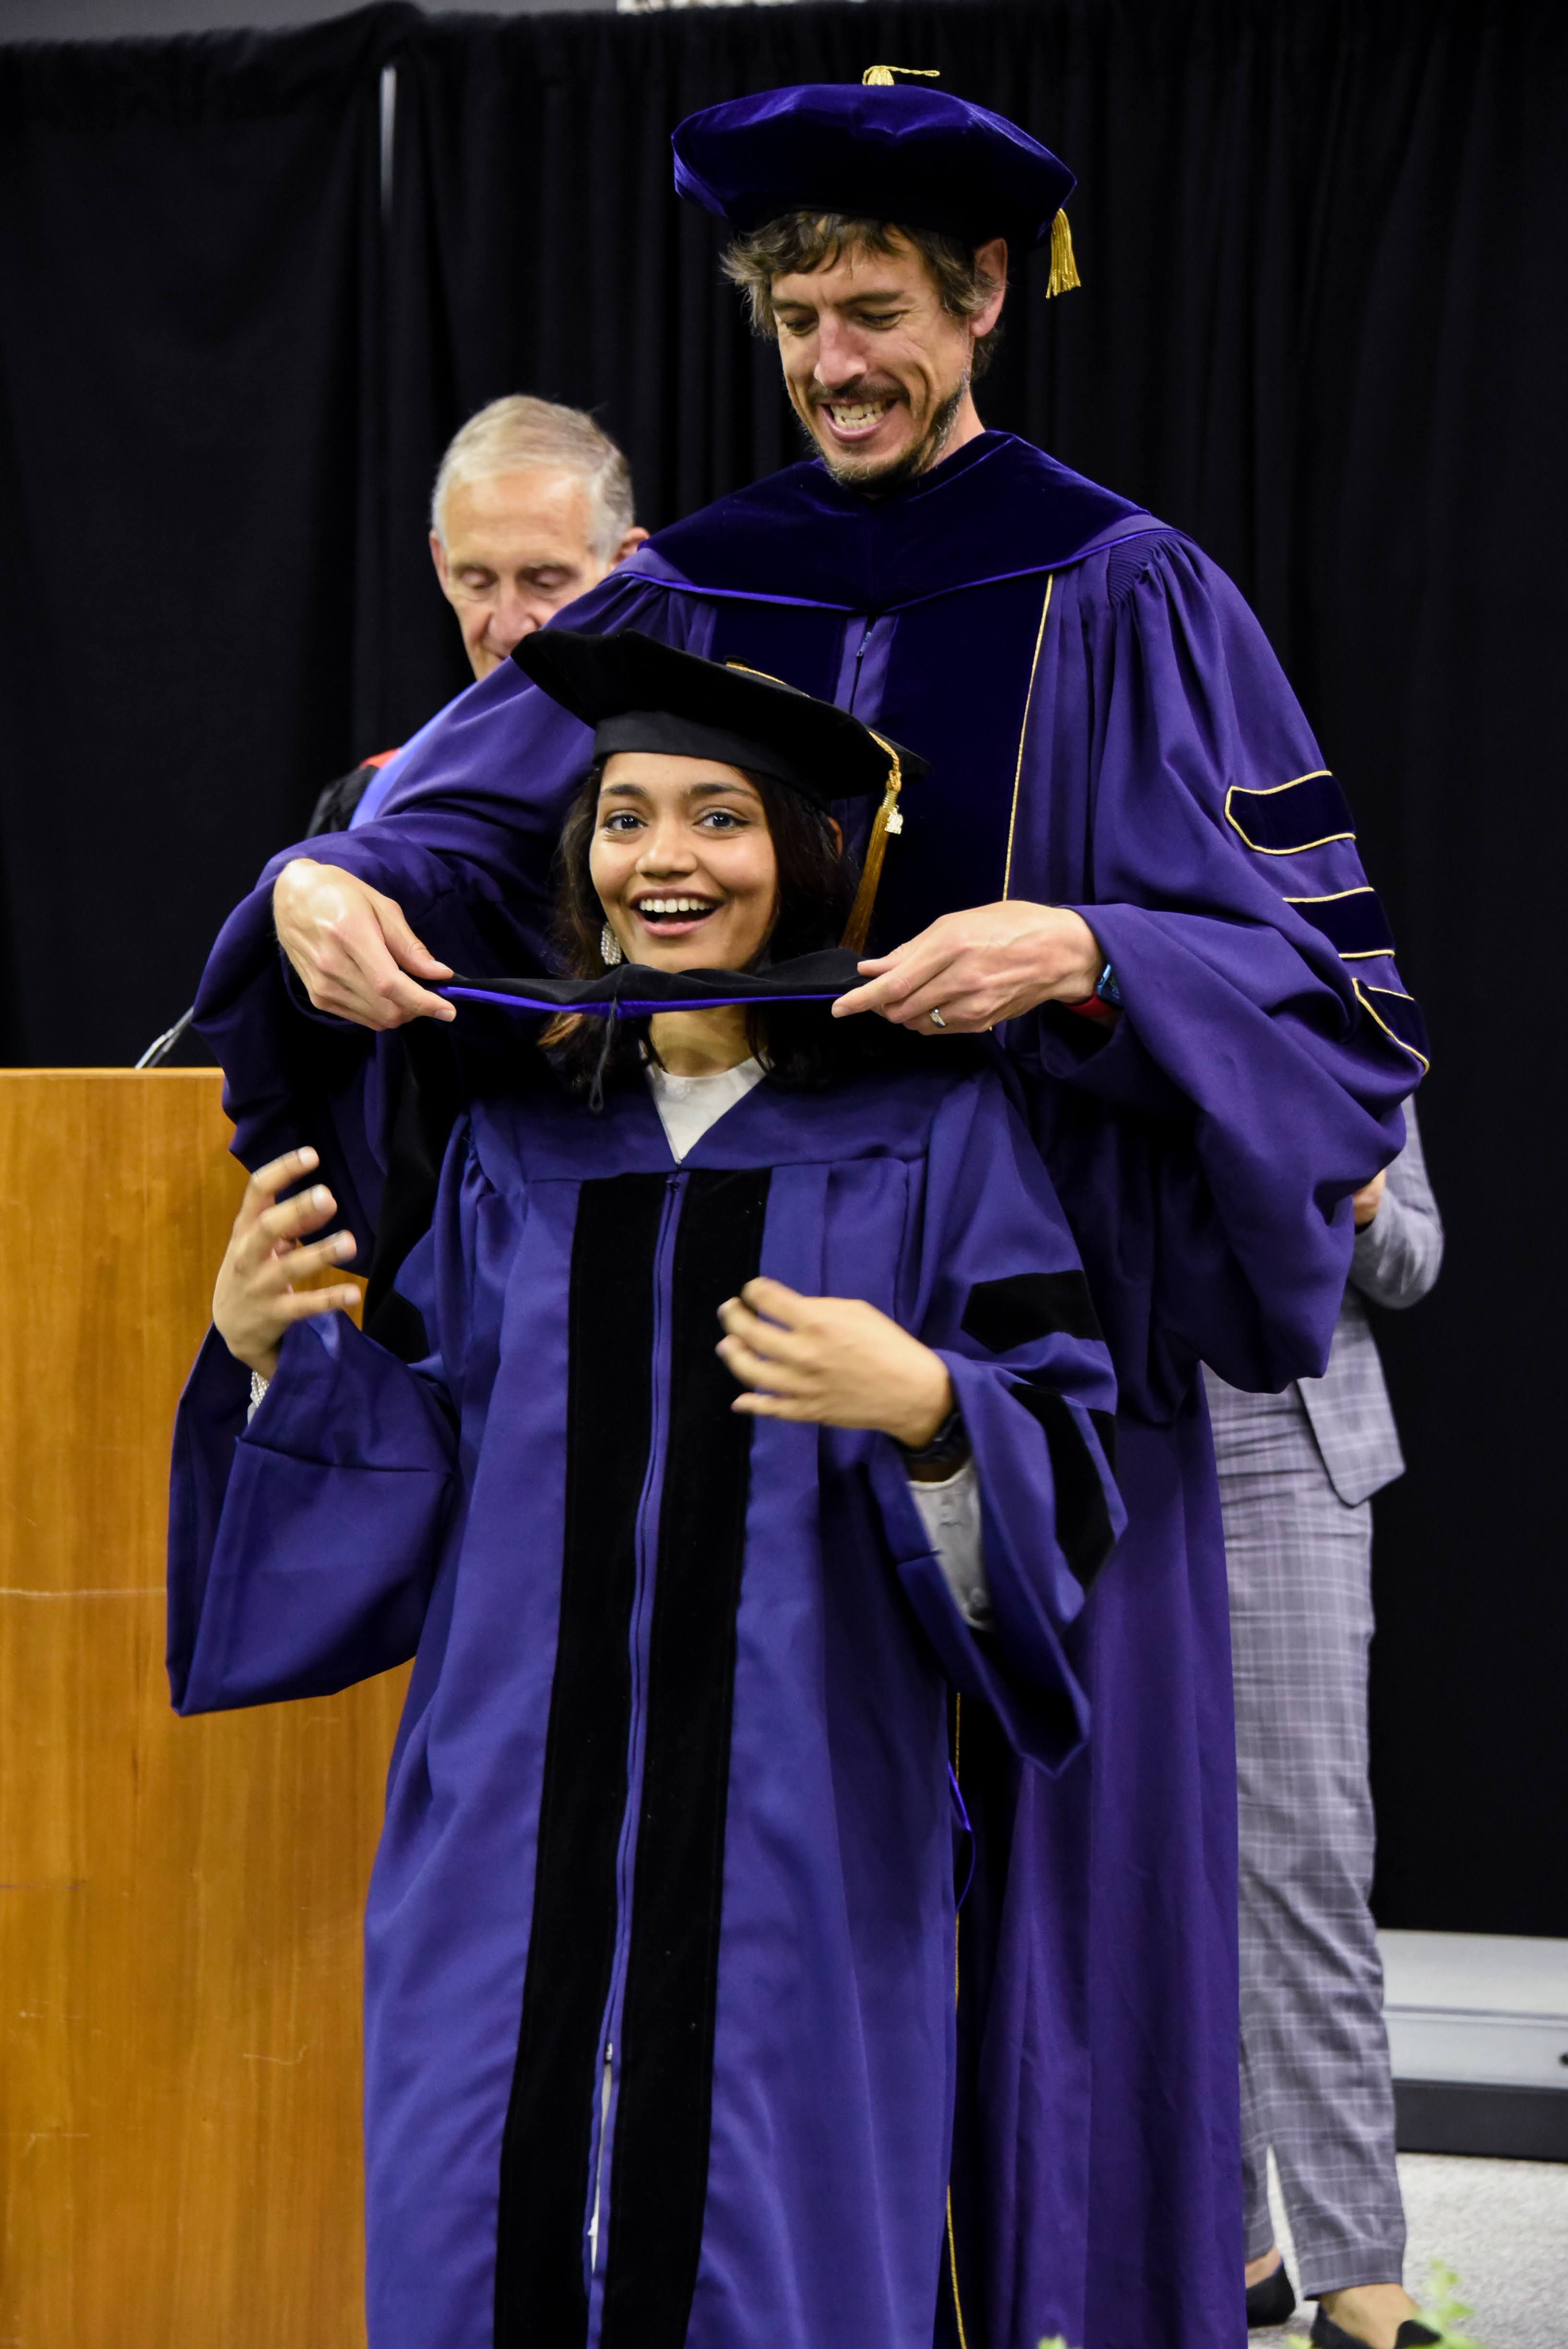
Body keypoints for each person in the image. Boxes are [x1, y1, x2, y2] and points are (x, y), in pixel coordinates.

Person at [191, 74, 1427, 2349]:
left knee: (1043, 1962)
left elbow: (1326, 1000)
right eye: (795, 322)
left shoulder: (1127, 588)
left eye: (877, 311)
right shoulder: (687, 584)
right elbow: (465, 831)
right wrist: (328, 885)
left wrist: (1083, 947)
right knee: (709, 1938)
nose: (836, 363)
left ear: (982, 302)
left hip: (1031, 1360)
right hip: (715, 1335)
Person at [169, 636, 1124, 2349]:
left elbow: (1060, 1454)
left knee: (773, 2254)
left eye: (719, 819)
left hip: (800, 1840)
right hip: (505, 1846)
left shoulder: (931, 1132)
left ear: (805, 859)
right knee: (488, 2234)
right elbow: (428, 1465)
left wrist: (925, 1404)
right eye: (622, 818)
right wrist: (266, 1352)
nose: (665, 858)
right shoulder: (516, 1144)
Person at [1205, 1102, 1443, 2349]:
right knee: (1145, 1872)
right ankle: (1228, 2234)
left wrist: (1357, 1203)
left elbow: (1412, 1259)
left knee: (1303, 1861)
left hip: (1283, 1442)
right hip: (1094, 1423)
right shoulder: (1050, 970)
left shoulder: (1341, 1008)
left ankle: (1360, 2265)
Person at [307, 395, 648, 835]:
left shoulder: (689, 781)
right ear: (442, 566)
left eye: (544, 581)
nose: (508, 627)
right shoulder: (379, 803)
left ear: (624, 567)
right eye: (478, 582)